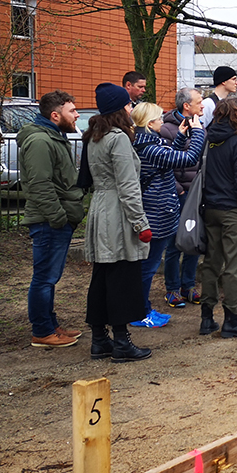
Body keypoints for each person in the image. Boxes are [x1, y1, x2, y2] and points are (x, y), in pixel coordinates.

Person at [82, 83, 152, 362]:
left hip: (101, 209)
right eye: (128, 104)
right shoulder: (118, 138)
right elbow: (128, 186)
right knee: (122, 276)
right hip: (118, 213)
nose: (132, 108)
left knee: (102, 276)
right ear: (120, 109)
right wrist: (141, 223)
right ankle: (122, 342)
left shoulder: (94, 136)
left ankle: (100, 339)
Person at [17, 90, 85, 349]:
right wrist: (58, 217)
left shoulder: (53, 137)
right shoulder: (40, 142)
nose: (77, 114)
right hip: (48, 221)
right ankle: (42, 331)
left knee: (49, 277)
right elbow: (39, 184)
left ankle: (50, 324)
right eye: (72, 111)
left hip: (55, 219)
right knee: (44, 277)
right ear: (55, 115)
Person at [131, 103, 205, 324]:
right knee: (149, 266)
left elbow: (170, 155)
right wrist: (199, 133)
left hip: (160, 211)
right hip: (156, 213)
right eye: (159, 119)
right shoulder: (149, 148)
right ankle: (140, 312)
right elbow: (187, 159)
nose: (162, 122)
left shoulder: (149, 143)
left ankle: (142, 309)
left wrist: (181, 137)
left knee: (149, 264)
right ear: (150, 123)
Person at [200, 96, 237, 337]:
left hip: (210, 207)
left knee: (212, 262)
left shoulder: (209, 141)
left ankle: (206, 317)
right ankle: (231, 319)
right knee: (235, 266)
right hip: (232, 209)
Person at [159, 87, 205, 305]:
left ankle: (189, 285)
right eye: (199, 101)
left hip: (195, 192)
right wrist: (179, 189)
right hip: (179, 193)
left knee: (194, 238)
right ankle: (172, 288)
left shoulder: (199, 127)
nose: (203, 105)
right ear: (187, 106)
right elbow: (165, 164)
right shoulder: (167, 129)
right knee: (175, 242)